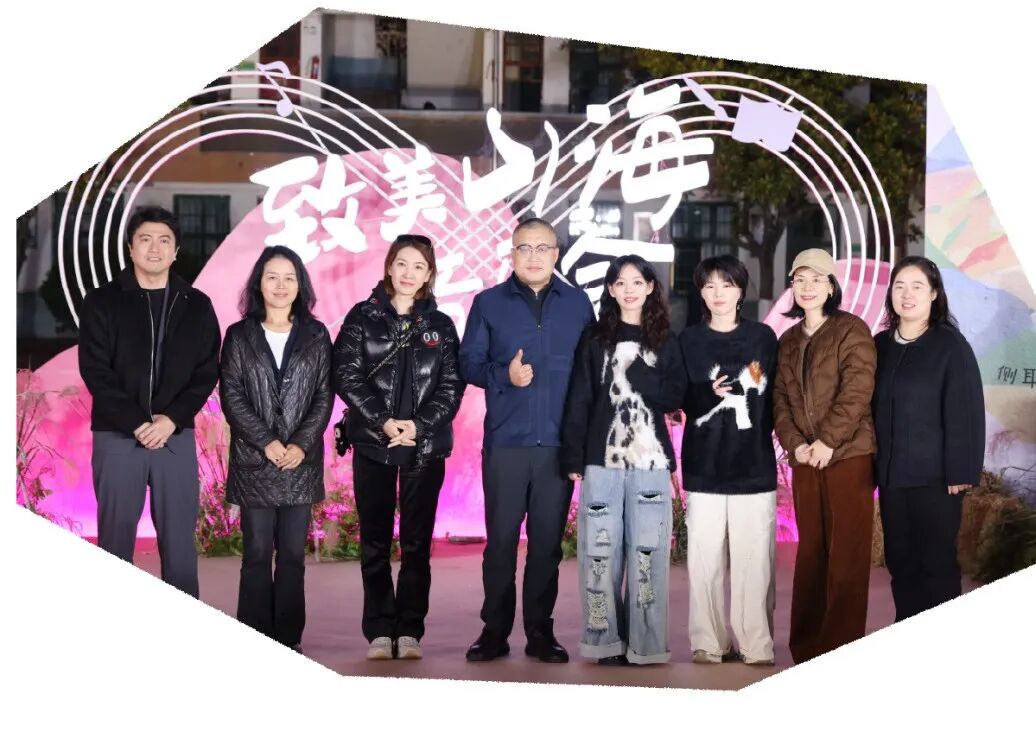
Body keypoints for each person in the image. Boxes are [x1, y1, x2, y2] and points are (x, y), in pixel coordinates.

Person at [459, 217, 595, 663]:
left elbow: (592, 372)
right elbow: (468, 364)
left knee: (546, 547)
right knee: (500, 543)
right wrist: (506, 375)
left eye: (542, 248)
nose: (533, 256)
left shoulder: (578, 305)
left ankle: (540, 633)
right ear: (511, 254)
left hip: (558, 446)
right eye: (524, 248)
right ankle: (494, 632)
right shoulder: (488, 303)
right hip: (507, 444)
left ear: (556, 254)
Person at [78, 205, 221, 597]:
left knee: (179, 545)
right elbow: (96, 370)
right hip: (117, 435)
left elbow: (206, 371)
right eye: (145, 239)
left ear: (176, 251)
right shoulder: (102, 302)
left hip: (175, 437)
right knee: (114, 541)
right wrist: (138, 423)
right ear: (130, 247)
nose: (154, 248)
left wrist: (170, 420)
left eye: (164, 241)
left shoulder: (196, 304)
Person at [333, 234, 464, 660]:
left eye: (419, 266)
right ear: (389, 266)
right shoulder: (362, 316)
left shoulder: (441, 325)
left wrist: (418, 427)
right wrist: (384, 421)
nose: (409, 273)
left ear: (429, 274)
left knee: (416, 545)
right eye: (402, 264)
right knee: (374, 542)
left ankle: (409, 629)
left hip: (423, 449)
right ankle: (378, 628)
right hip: (374, 443)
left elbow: (451, 386)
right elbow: (346, 375)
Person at [561, 255, 684, 665]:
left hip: (651, 465)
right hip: (602, 463)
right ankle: (603, 642)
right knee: (599, 556)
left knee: (648, 556)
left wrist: (640, 375)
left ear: (650, 287)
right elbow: (580, 397)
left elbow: (675, 396)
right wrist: (574, 455)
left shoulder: (667, 341)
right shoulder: (595, 339)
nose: (629, 289)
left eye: (637, 281)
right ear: (611, 290)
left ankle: (645, 644)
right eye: (620, 282)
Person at [219, 246, 333, 653]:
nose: (280, 285)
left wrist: (300, 443)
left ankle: (288, 639)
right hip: (255, 461)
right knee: (255, 552)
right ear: (258, 284)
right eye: (272, 277)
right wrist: (267, 442)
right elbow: (232, 395)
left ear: (300, 285)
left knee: (292, 556)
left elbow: (324, 394)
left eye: (289, 278)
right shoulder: (239, 335)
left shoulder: (316, 335)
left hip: (300, 463)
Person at [772, 248, 877, 664]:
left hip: (848, 456)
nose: (808, 287)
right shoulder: (788, 340)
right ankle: (806, 647)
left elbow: (857, 390)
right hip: (805, 460)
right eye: (800, 279)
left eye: (817, 279)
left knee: (847, 554)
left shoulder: (851, 329)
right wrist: (796, 444)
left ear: (832, 286)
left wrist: (828, 441)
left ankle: (840, 647)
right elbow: (779, 400)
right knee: (811, 553)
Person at [678, 255, 779, 666]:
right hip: (703, 466)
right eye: (709, 285)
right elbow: (676, 397)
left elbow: (775, 397)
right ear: (701, 293)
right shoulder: (688, 340)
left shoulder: (764, 337)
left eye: (727, 284)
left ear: (741, 290)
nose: (718, 293)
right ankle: (709, 642)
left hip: (753, 466)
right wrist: (708, 393)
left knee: (755, 563)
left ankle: (756, 644)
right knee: (704, 561)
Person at [873, 256, 984, 621]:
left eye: (917, 286)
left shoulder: (950, 346)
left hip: (936, 480)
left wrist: (960, 470)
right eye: (900, 286)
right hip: (892, 477)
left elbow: (966, 411)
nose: (907, 295)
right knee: (901, 562)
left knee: (936, 564)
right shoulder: (880, 345)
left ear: (934, 293)